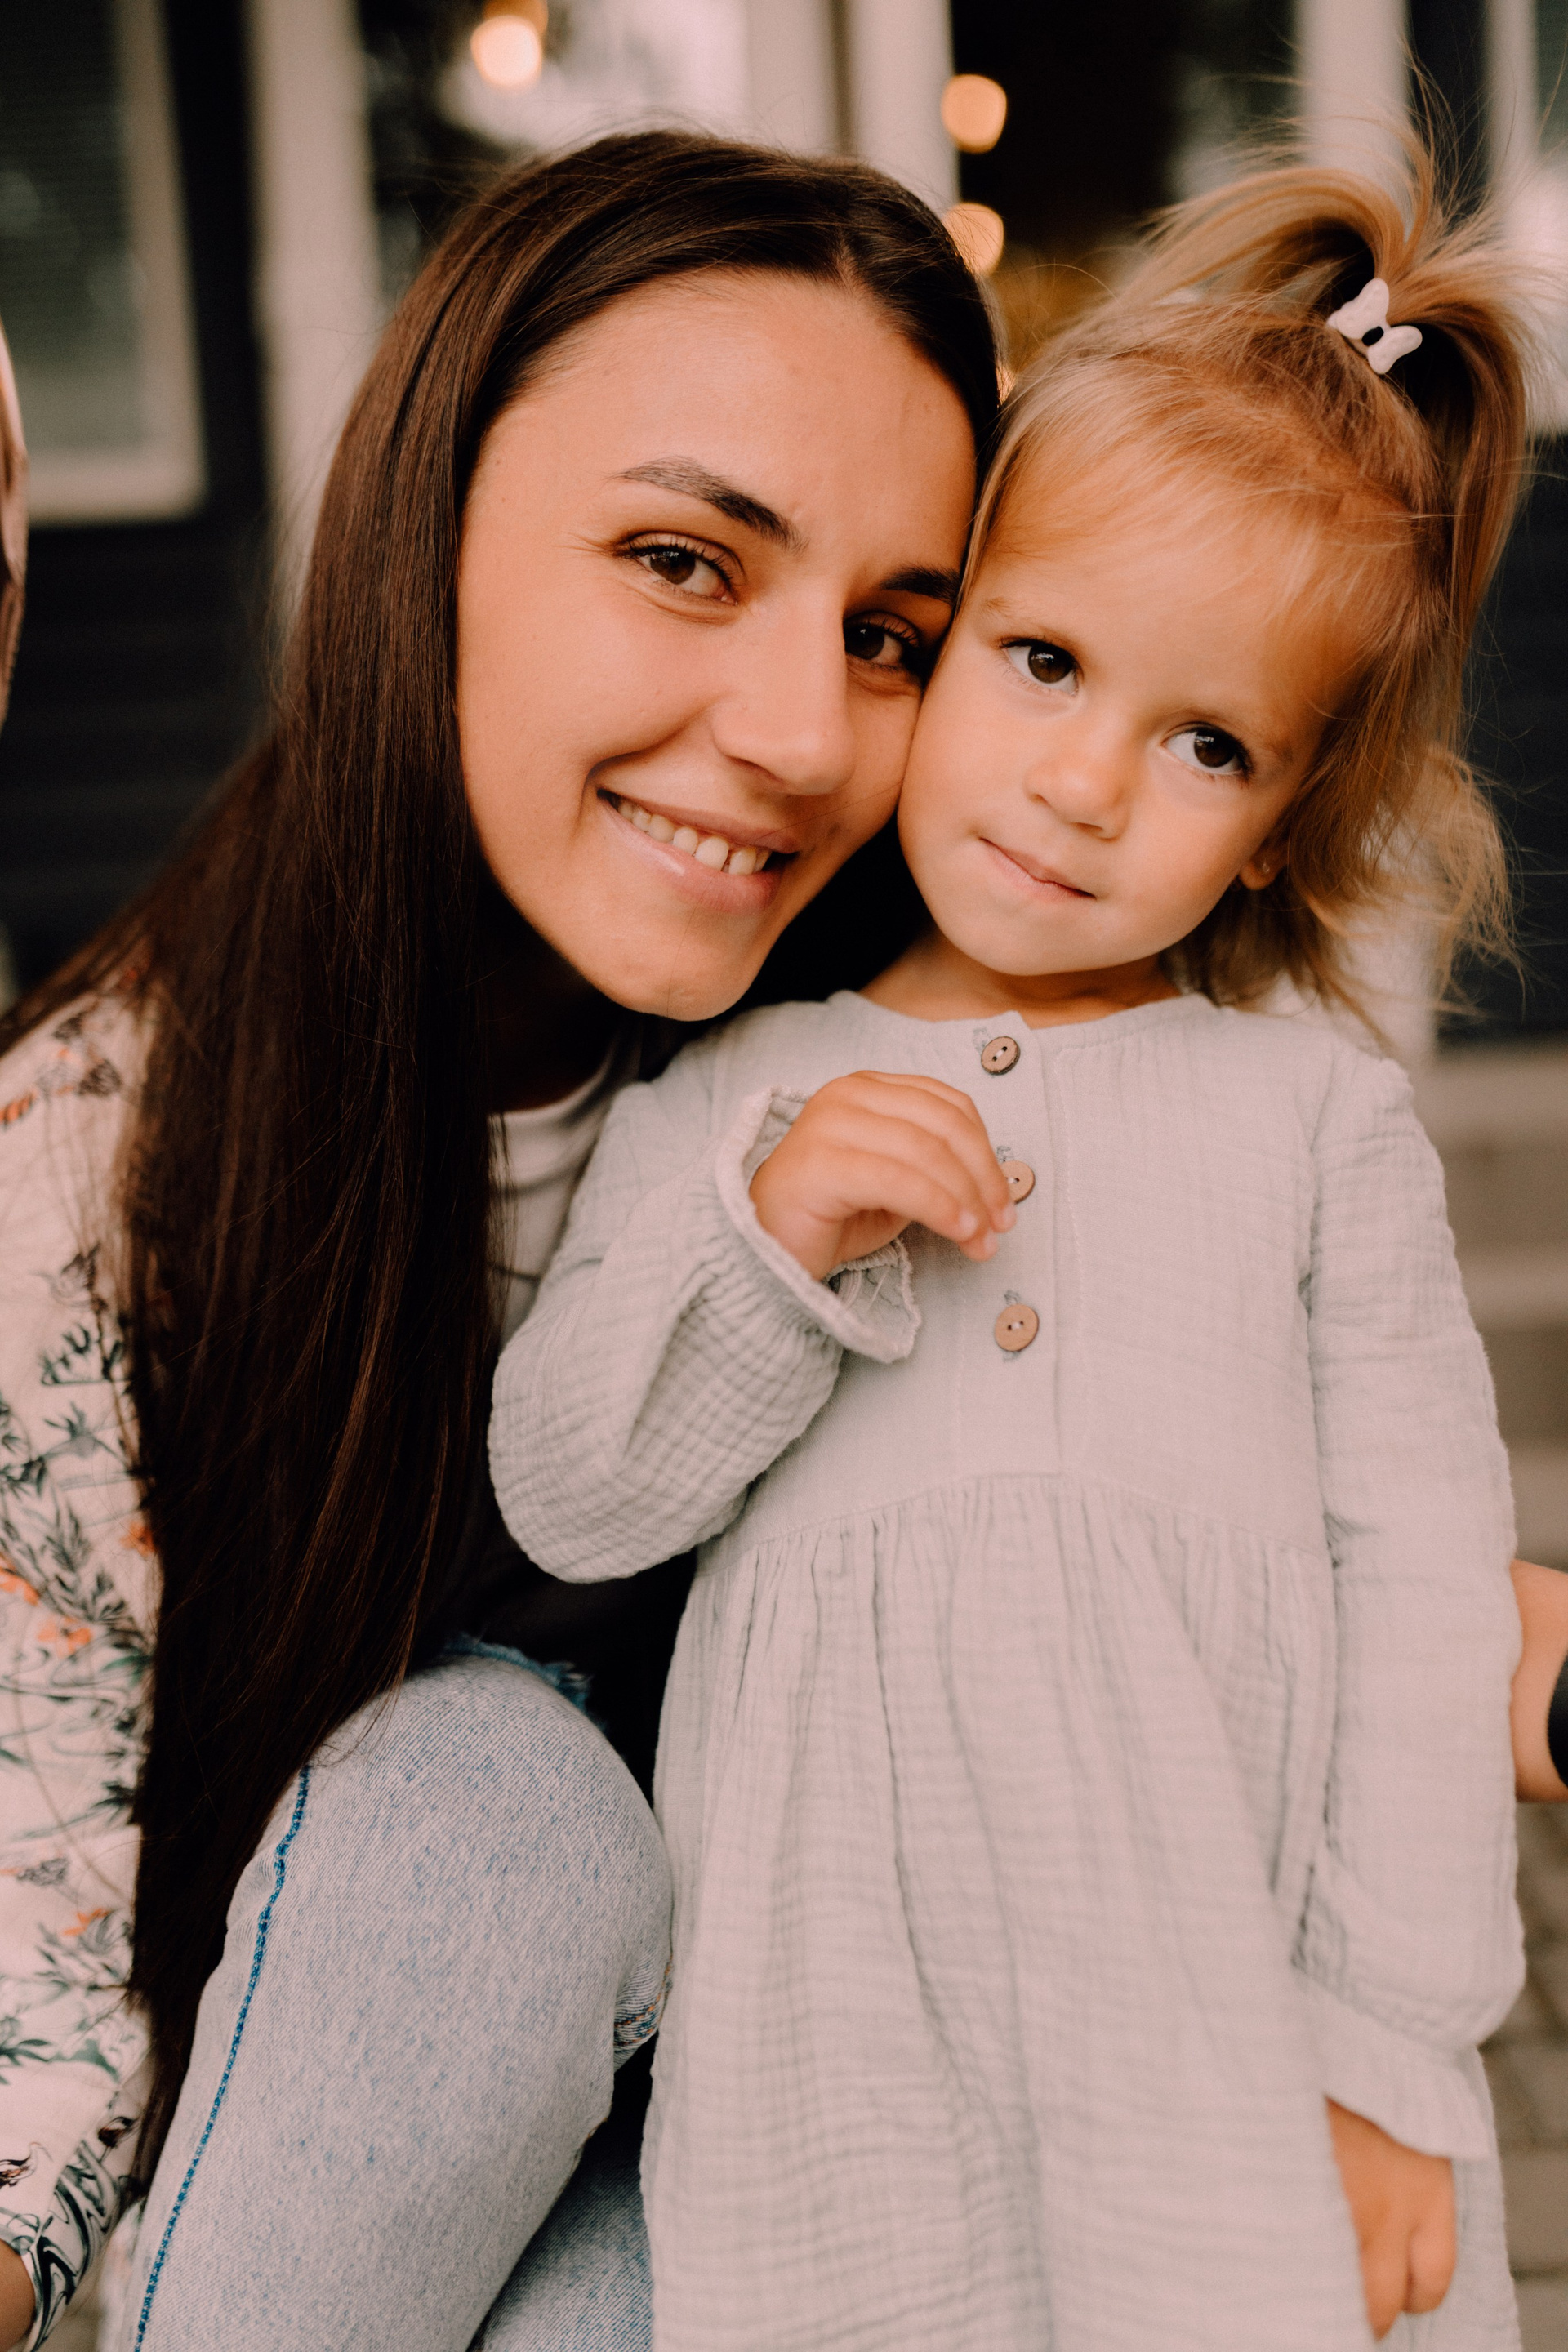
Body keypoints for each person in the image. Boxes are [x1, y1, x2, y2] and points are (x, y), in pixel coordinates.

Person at [492, 155, 1536, 2349]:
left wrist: (1392, 2046)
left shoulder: (1308, 1124)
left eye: (1205, 742)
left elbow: (1431, 1591)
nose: (1083, 784)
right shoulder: (736, 1091)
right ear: (936, 638)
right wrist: (770, 1242)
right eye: (1042, 660)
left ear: (1284, 823)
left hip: (1226, 2035)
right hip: (843, 2053)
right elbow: (573, 1489)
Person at [0, 131, 998, 2351]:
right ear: (424, 534)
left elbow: (1237, 1522)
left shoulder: (928, 1099)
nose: (800, 736)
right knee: (490, 1798)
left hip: (796, 2137)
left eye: (891, 638)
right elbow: (31, 1971)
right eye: (684, 561)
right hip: (317, 2187)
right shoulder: (93, 1172)